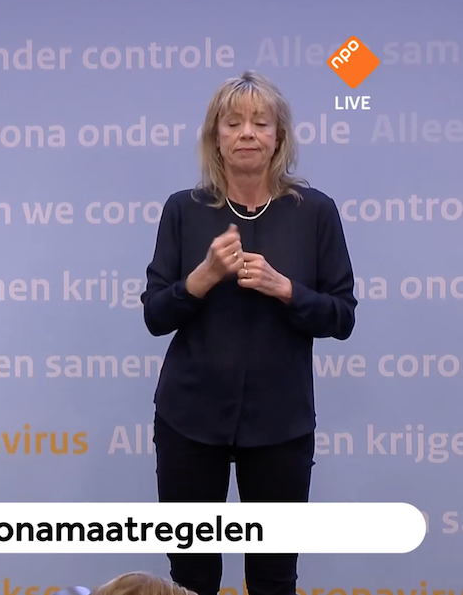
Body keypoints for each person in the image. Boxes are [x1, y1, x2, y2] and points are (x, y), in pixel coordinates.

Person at [139, 70, 357, 595]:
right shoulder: (183, 210)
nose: (247, 134)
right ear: (215, 136)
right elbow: (155, 315)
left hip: (279, 425)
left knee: (274, 576)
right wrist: (202, 277)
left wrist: (287, 290)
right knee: (191, 576)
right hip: (190, 421)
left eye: (260, 123)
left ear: (279, 136)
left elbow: (342, 316)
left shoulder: (315, 212)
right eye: (233, 123)